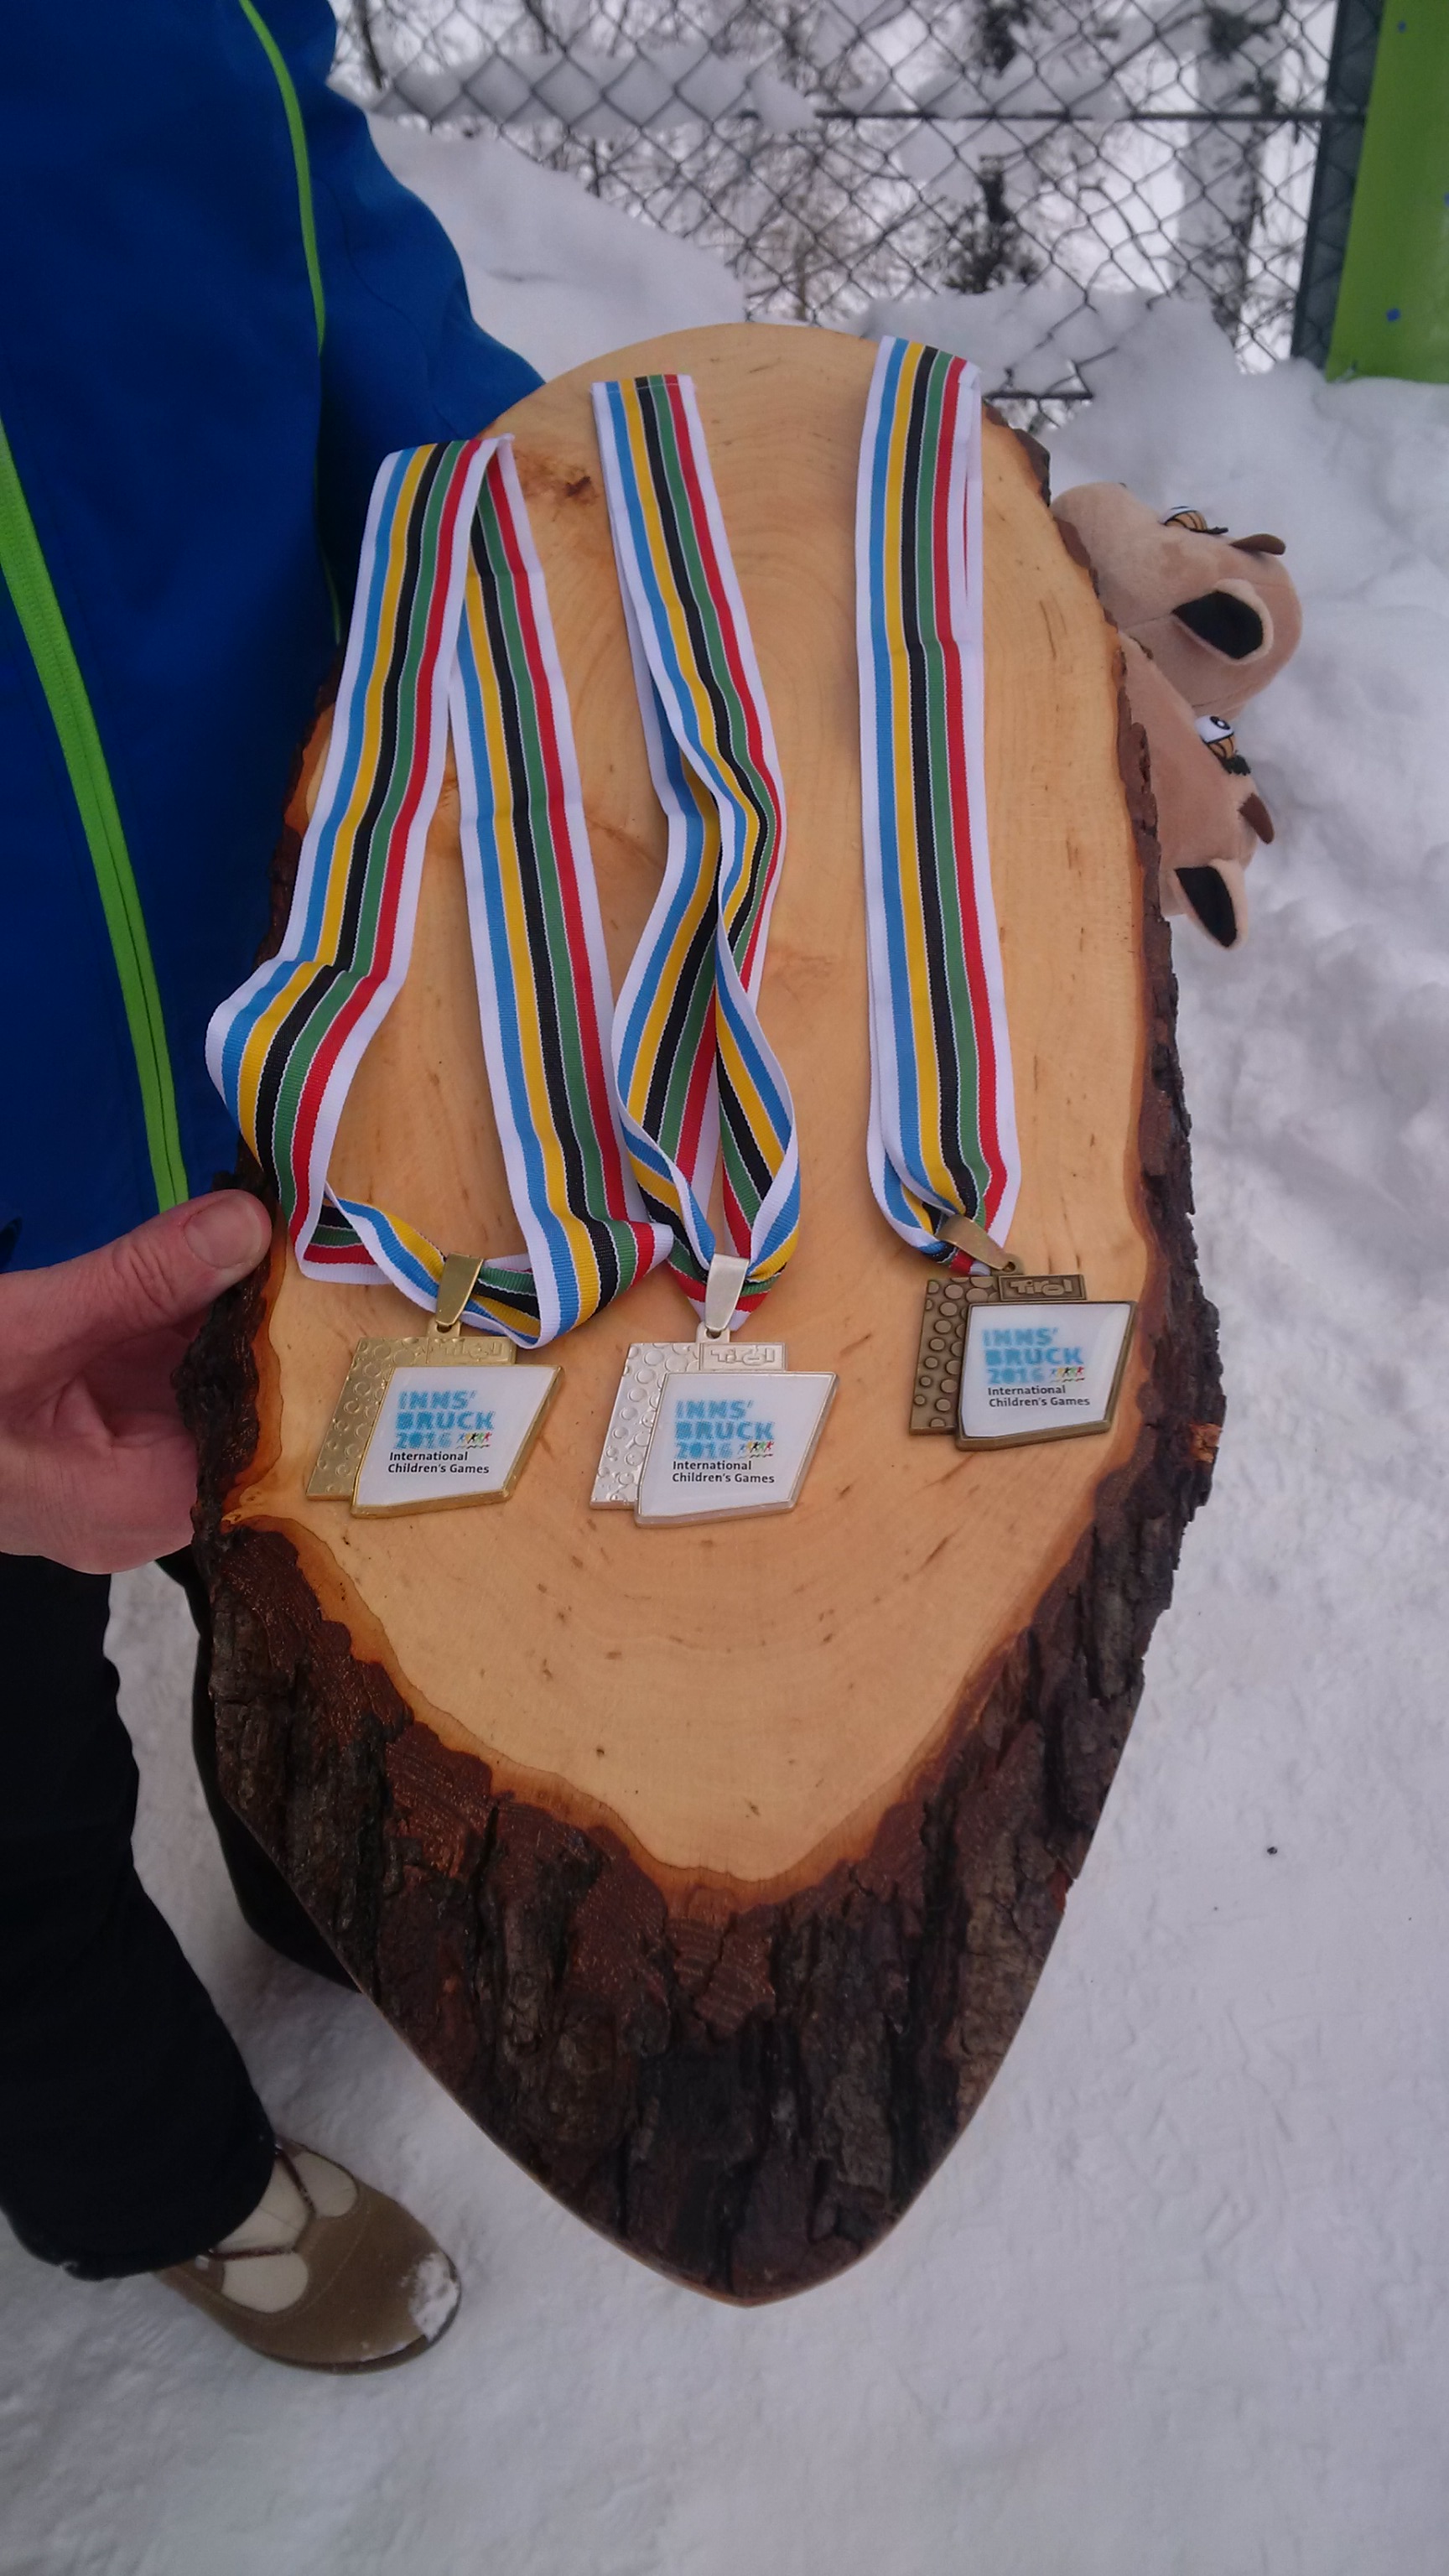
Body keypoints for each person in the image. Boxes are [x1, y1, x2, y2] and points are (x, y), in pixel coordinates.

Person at [0, 0, 540, 2369]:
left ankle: (331, 1898)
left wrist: (539, 550)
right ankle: (148, 2169)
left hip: (273, 1045)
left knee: (310, 1557)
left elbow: (300, 224)